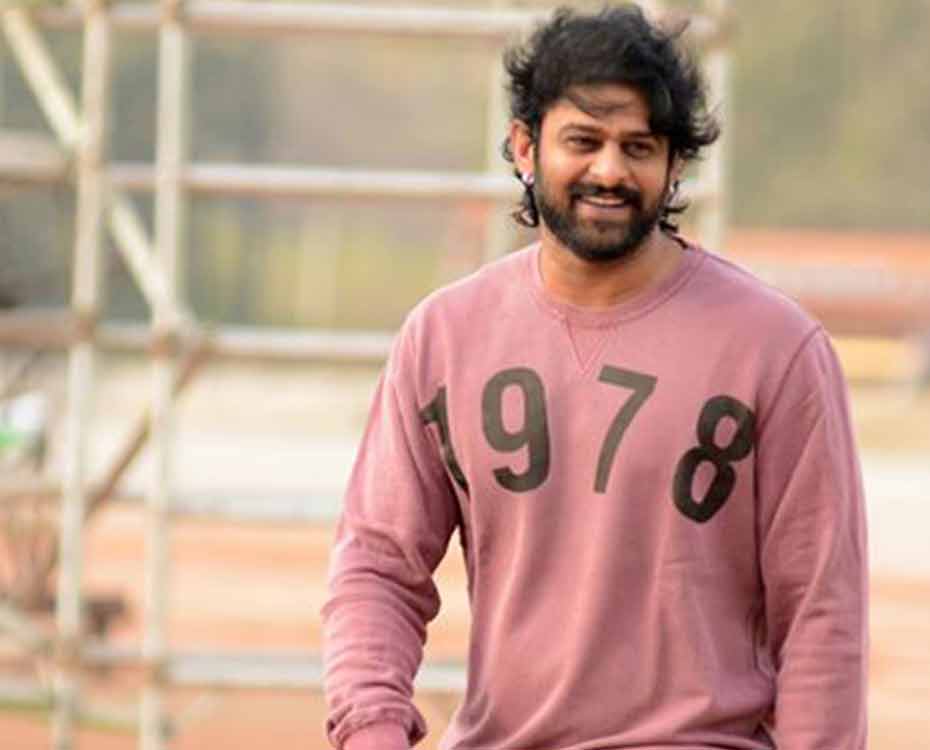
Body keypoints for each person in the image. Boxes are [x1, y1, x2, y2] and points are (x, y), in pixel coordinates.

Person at [321, 5, 868, 750]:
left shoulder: (777, 349)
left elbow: (821, 612)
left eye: (639, 146)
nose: (610, 171)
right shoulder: (444, 337)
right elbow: (378, 567)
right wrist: (371, 728)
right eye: (583, 141)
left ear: (675, 164)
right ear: (525, 146)